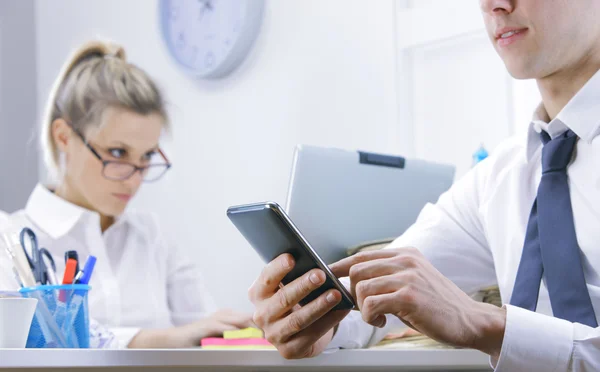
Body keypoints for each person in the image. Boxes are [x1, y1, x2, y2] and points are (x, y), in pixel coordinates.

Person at [248, 0, 600, 370]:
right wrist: (315, 317)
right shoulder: (501, 176)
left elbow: (473, 319)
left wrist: (487, 324)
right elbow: (383, 282)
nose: (493, 4)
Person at [0, 40, 252, 348]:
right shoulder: (8, 238)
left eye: (146, 157)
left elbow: (208, 333)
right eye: (117, 153)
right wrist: (164, 339)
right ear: (64, 137)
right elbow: (15, 348)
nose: (134, 180)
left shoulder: (152, 236)